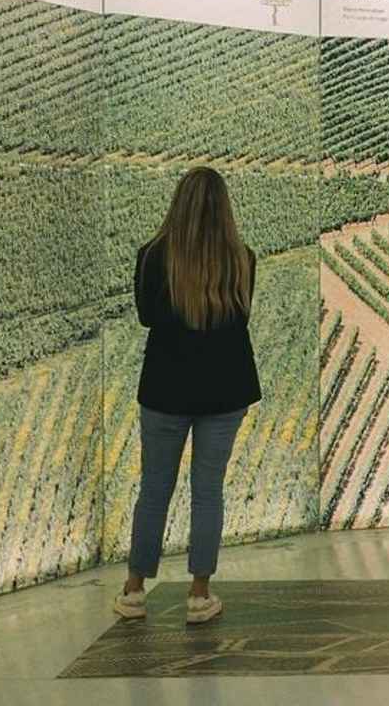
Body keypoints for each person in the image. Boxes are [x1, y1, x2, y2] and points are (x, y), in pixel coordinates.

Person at [113, 167, 261, 625]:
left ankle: (134, 590)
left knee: (154, 489)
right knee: (208, 491)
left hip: (165, 390)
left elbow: (145, 316)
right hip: (225, 390)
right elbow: (240, 317)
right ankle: (199, 593)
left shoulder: (152, 256)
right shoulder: (243, 258)